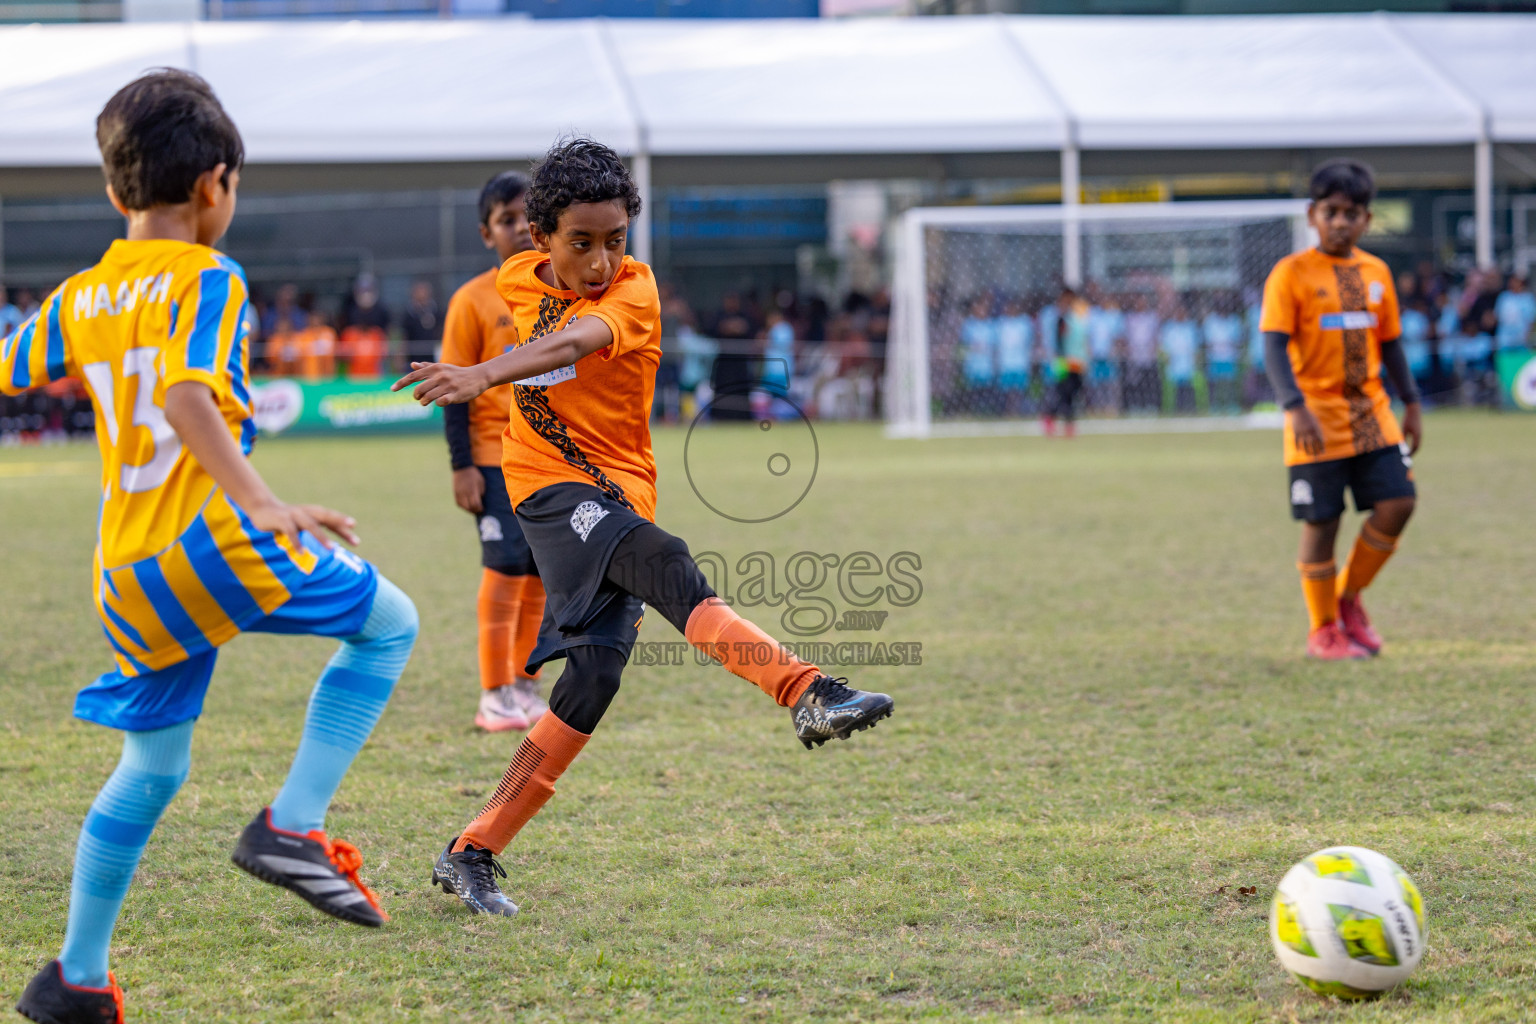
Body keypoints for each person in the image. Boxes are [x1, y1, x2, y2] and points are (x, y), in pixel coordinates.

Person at [5, 70, 417, 1024]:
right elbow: (189, 396)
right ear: (215, 186)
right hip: (215, 543)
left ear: (115, 193)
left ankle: (75, 975)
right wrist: (266, 502)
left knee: (150, 770)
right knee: (390, 625)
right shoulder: (211, 279)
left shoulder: (80, 295)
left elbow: (12, 367)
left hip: (127, 573)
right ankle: (292, 826)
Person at [393, 138, 893, 917]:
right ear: (539, 239)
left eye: (615, 240)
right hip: (549, 490)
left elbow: (573, 341)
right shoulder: (512, 276)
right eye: (581, 243)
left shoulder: (635, 292)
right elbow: (543, 336)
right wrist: (480, 390)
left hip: (619, 493)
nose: (600, 260)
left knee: (592, 679)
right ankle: (807, 690)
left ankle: (472, 850)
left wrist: (487, 372)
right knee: (667, 563)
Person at [1260, 158, 1421, 661]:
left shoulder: (1376, 273)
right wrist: (1294, 406)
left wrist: (1412, 403)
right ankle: (1323, 628)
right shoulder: (1291, 274)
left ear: (1367, 220)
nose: (1340, 222)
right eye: (1330, 211)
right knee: (1322, 524)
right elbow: (1273, 346)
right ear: (1312, 215)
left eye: (1351, 213)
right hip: (1315, 421)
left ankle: (1348, 598)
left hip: (1372, 415)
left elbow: (1391, 344)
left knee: (1399, 504)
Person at [439, 171, 549, 733]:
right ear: (488, 233)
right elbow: (454, 393)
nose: (519, 231)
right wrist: (462, 466)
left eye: (526, 219)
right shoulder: (472, 301)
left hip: (548, 459)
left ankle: (524, 686)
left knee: (538, 573)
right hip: (491, 456)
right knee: (504, 566)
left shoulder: (559, 293)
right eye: (506, 221)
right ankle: (493, 694)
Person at [401, 278, 442, 366]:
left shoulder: (436, 311)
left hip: (432, 356)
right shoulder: (409, 313)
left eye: (424, 290)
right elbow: (404, 336)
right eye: (419, 291)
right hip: (413, 358)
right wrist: (401, 357)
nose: (422, 294)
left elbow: (441, 331)